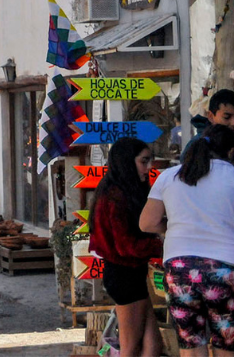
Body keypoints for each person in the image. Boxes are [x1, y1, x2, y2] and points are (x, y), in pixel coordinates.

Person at [140, 125, 234, 357]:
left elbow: (147, 223)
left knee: (190, 346)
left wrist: (171, 229)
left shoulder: (169, 176)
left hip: (179, 268)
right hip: (226, 267)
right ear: (231, 152)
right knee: (227, 346)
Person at [88, 138, 163, 357]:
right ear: (126, 162)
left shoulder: (118, 190)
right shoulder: (115, 196)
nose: (149, 167)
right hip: (123, 275)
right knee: (130, 348)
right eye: (144, 161)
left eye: (150, 160)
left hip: (130, 275)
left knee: (153, 344)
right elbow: (125, 246)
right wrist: (161, 245)